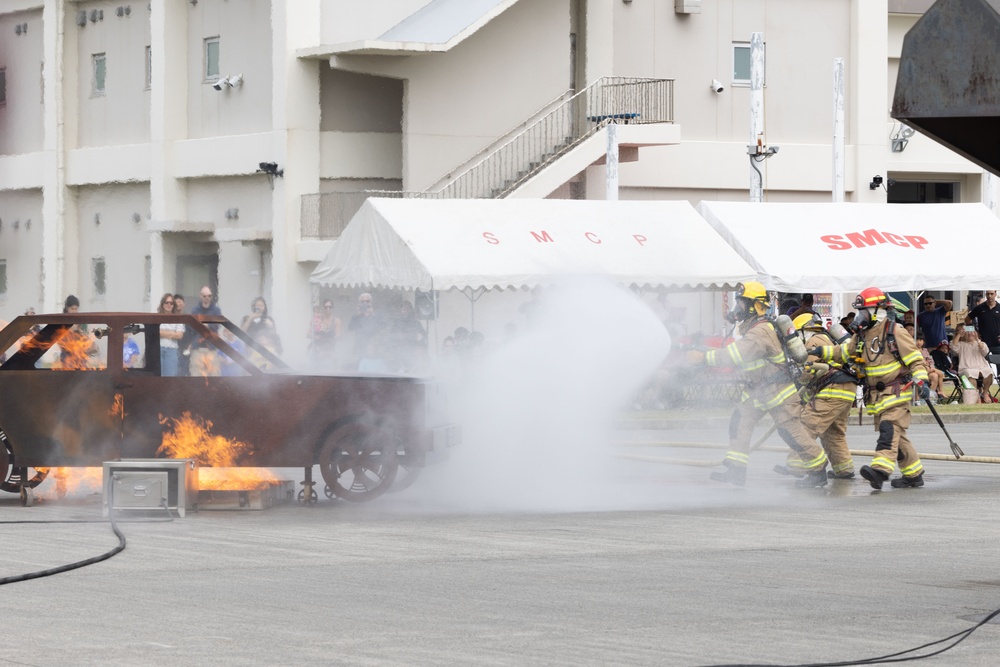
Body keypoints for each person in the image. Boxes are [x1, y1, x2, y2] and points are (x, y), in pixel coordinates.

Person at [687, 281, 829, 487]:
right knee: (740, 421)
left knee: (790, 432)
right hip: (760, 391)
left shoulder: (759, 332)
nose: (738, 309)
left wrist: (702, 358)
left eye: (742, 304)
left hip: (778, 392)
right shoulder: (754, 329)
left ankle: (818, 469)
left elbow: (734, 356)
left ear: (755, 306)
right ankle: (736, 469)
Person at [811, 287, 930, 489]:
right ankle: (913, 474)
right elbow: (844, 353)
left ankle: (880, 471)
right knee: (897, 438)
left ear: (877, 310)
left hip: (897, 392)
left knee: (888, 430)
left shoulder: (895, 332)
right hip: (876, 396)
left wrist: (922, 380)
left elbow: (916, 361)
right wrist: (821, 351)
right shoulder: (862, 336)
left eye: (863, 311)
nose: (860, 316)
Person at [788, 313, 857, 479]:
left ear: (804, 331)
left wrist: (798, 378)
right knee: (833, 432)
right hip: (847, 389)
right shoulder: (829, 339)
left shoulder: (813, 342)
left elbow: (807, 372)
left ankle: (797, 465)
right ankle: (844, 468)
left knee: (806, 425)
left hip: (831, 390)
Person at [950, 326, 995, 402]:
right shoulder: (960, 344)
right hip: (967, 367)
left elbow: (985, 352)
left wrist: (977, 340)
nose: (970, 334)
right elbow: (953, 347)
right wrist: (959, 335)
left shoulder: (980, 343)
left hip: (981, 366)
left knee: (989, 371)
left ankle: (985, 393)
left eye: (972, 332)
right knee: (970, 373)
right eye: (968, 332)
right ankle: (975, 395)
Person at [187, 286, 223, 376]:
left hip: (212, 347)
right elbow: (191, 327)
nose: (207, 298)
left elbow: (217, 325)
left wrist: (207, 325)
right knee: (196, 376)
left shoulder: (216, 310)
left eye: (209, 296)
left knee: (214, 376)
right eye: (204, 296)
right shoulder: (195, 310)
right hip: (198, 348)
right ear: (200, 296)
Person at [348, 293, 382, 367]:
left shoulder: (376, 315)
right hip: (360, 346)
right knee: (361, 367)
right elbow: (350, 328)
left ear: (371, 302)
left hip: (374, 347)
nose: (365, 303)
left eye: (367, 301)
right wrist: (357, 315)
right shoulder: (356, 316)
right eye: (363, 302)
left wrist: (372, 314)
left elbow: (381, 327)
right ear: (359, 303)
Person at [308, 298, 341, 368]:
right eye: (326, 307)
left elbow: (338, 335)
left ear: (333, 308)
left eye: (330, 307)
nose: (328, 309)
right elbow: (308, 333)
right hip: (318, 350)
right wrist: (315, 337)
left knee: (331, 373)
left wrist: (330, 340)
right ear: (323, 308)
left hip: (331, 351)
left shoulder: (336, 321)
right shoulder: (317, 320)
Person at [966, 289, 1000, 355]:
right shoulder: (979, 308)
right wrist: (973, 332)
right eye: (987, 294)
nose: (989, 296)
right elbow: (966, 320)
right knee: (980, 364)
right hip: (982, 343)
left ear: (995, 294)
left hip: (997, 344)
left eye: (991, 294)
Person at [157, 293, 183, 376]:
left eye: (171, 303)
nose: (169, 305)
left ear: (173, 305)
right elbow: (156, 333)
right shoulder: (156, 317)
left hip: (172, 350)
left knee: (170, 378)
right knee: (157, 377)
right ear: (162, 304)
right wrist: (172, 333)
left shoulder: (178, 318)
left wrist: (163, 333)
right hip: (158, 349)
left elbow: (179, 335)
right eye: (166, 302)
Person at [916, 334, 944, 401]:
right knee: (940, 373)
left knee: (936, 376)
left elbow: (930, 360)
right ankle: (940, 391)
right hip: (921, 369)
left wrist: (931, 367)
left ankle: (931, 395)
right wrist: (926, 366)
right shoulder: (913, 350)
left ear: (923, 342)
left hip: (928, 369)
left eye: (921, 340)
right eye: (917, 340)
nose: (919, 342)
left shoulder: (925, 350)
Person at [174, 294, 192, 376]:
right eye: (177, 302)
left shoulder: (188, 318)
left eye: (181, 302)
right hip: (173, 350)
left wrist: (189, 348)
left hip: (185, 351)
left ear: (184, 304)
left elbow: (194, 335)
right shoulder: (169, 318)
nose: (179, 304)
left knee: (184, 373)